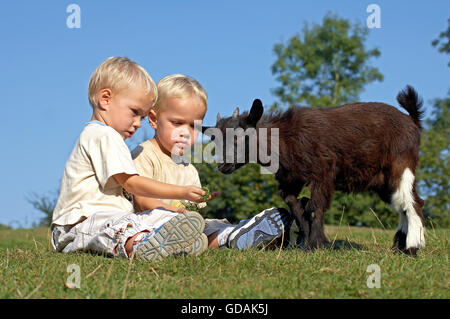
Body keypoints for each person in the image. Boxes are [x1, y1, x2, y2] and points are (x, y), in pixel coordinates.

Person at [51, 57, 213, 262]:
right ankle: (141, 243)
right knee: (122, 228)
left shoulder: (106, 137)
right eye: (134, 112)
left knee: (148, 218)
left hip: (106, 219)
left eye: (142, 117)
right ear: (105, 99)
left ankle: (176, 241)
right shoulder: (102, 135)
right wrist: (182, 192)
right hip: (78, 224)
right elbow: (132, 183)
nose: (137, 123)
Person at [131, 74, 293, 250]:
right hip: (147, 225)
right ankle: (235, 237)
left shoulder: (188, 168)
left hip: (182, 226)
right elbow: (142, 201)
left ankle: (248, 233)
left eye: (194, 126)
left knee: (214, 224)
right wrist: (178, 214)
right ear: (154, 119)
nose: (186, 133)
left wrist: (195, 205)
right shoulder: (145, 154)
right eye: (177, 123)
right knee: (200, 229)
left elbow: (192, 211)